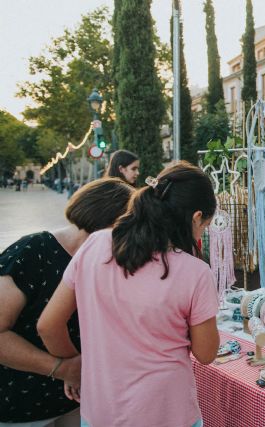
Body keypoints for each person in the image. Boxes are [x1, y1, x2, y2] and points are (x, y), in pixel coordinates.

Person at [38, 162, 220, 427]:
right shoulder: (195, 273)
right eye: (205, 225)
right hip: (166, 413)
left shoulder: (96, 244)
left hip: (101, 412)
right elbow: (206, 354)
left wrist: (73, 366)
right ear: (195, 218)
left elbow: (48, 325)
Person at [0, 178, 133, 427]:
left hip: (81, 402)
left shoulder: (111, 261)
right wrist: (64, 369)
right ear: (113, 223)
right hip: (22, 405)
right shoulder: (33, 251)